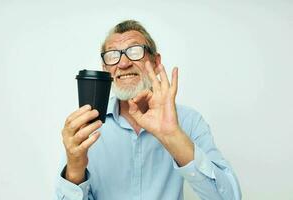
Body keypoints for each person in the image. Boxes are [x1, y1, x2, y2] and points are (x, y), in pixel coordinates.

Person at [55, 20, 242, 200]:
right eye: (113, 55)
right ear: (105, 69)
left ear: (155, 61)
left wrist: (173, 137)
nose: (123, 63)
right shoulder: (87, 128)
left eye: (134, 51)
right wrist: (75, 167)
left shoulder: (189, 121)